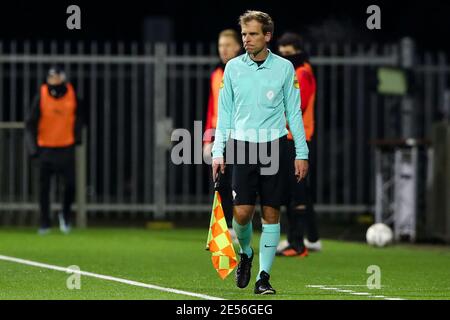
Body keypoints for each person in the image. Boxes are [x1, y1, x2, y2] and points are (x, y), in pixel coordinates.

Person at [211, 11, 309, 295]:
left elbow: (294, 113)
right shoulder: (232, 69)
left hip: (275, 146)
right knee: (241, 215)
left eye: (252, 34)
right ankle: (246, 253)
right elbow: (224, 114)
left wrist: (301, 152)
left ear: (267, 36)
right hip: (241, 147)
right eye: (244, 34)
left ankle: (263, 278)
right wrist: (219, 152)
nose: (246, 39)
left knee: (271, 213)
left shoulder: (284, 68)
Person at [276, 32, 322, 257]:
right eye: (282, 54)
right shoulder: (300, 71)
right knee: (296, 190)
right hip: (293, 137)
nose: (284, 58)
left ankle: (298, 243)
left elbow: (297, 107)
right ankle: (304, 239)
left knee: (296, 191)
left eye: (288, 54)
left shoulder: (302, 73)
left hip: (296, 139)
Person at [25, 66, 83, 235]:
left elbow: (81, 116)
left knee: (70, 185)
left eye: (57, 78)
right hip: (45, 148)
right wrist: (33, 148)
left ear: (63, 79)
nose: (54, 81)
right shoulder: (41, 95)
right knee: (44, 188)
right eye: (51, 78)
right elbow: (30, 123)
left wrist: (77, 136)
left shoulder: (72, 95)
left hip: (66, 147)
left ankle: (64, 216)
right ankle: (44, 222)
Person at [203, 29, 242, 237]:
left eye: (227, 45)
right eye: (220, 46)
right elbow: (212, 108)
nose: (223, 50)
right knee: (221, 181)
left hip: (241, 134)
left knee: (239, 181)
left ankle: (238, 225)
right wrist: (208, 138)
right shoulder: (217, 73)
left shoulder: (244, 70)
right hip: (221, 135)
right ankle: (226, 225)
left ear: (238, 46)